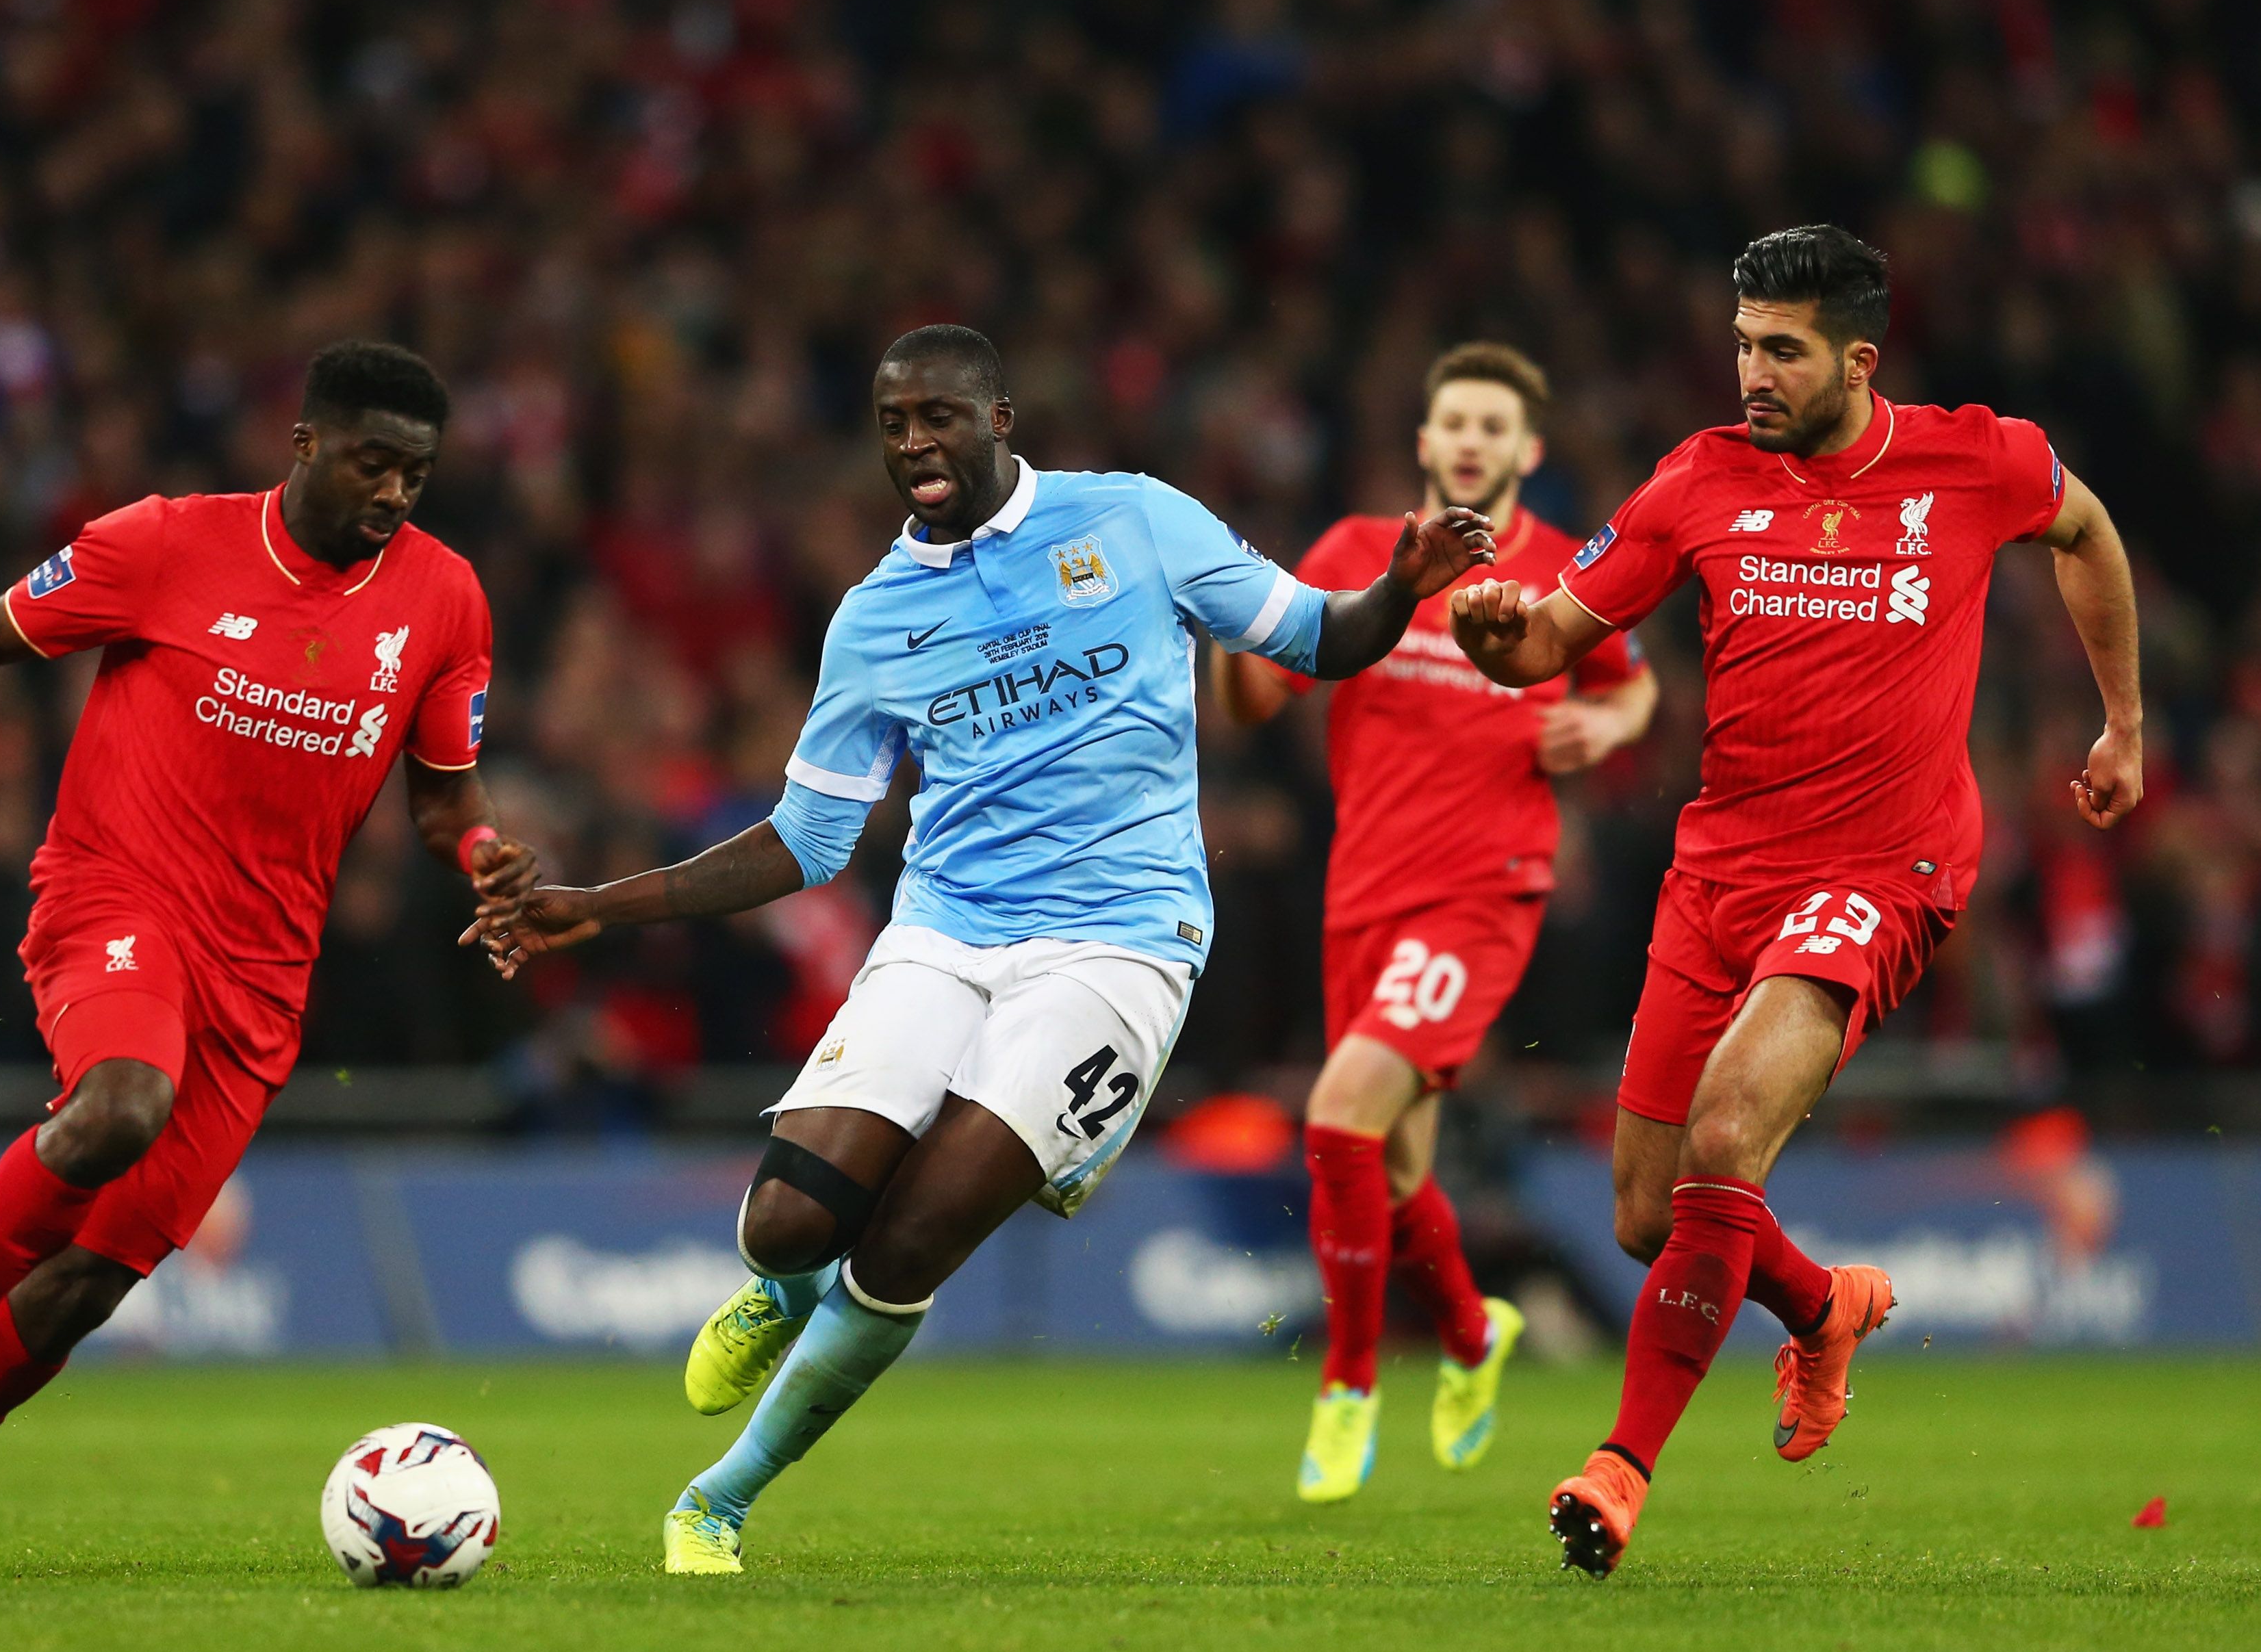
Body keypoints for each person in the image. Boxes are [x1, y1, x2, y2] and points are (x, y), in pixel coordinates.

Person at [480, 324, 1496, 1574]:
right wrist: (605, 903)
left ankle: (718, 1500)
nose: (913, 441)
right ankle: (782, 1293)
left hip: (1121, 946)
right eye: (893, 421)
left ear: (1000, 417)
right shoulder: (874, 615)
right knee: (792, 1220)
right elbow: (807, 840)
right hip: (946, 932)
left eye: (938, 415)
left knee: (913, 1238)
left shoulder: (1133, 522)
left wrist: (1404, 584)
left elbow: (1315, 640)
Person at [0, 341, 539, 1584]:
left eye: (417, 474)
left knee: (70, 1299)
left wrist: (485, 854)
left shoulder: (446, 600)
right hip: (117, 894)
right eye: (374, 462)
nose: (393, 493)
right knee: (121, 1100)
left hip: (262, 980)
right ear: (307, 444)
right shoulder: (164, 542)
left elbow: (445, 801)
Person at [1442, 227, 2144, 1577]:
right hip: (1721, 875)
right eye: (1744, 342)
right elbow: (1547, 641)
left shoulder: (1977, 458)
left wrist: (2121, 724)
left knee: (1723, 1137)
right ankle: (1820, 1307)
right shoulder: (1699, 480)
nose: (1752, 371)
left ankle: (1620, 1468)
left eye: (1784, 349)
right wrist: (1497, 640)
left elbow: (2089, 528)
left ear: (1859, 360)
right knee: (1648, 1213)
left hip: (1885, 872)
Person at [1207, 343, 1658, 1499]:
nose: (1471, 440)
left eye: (1493, 426)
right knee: (1394, 1169)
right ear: (1423, 440)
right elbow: (1261, 691)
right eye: (1453, 420)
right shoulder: (1360, 555)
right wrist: (1229, 638)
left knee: (1338, 1116)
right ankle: (1470, 1335)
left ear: (1527, 451)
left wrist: (1602, 734)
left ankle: (1349, 1384)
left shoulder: (1570, 568)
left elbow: (1635, 685)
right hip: (1361, 892)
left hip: (1482, 889)